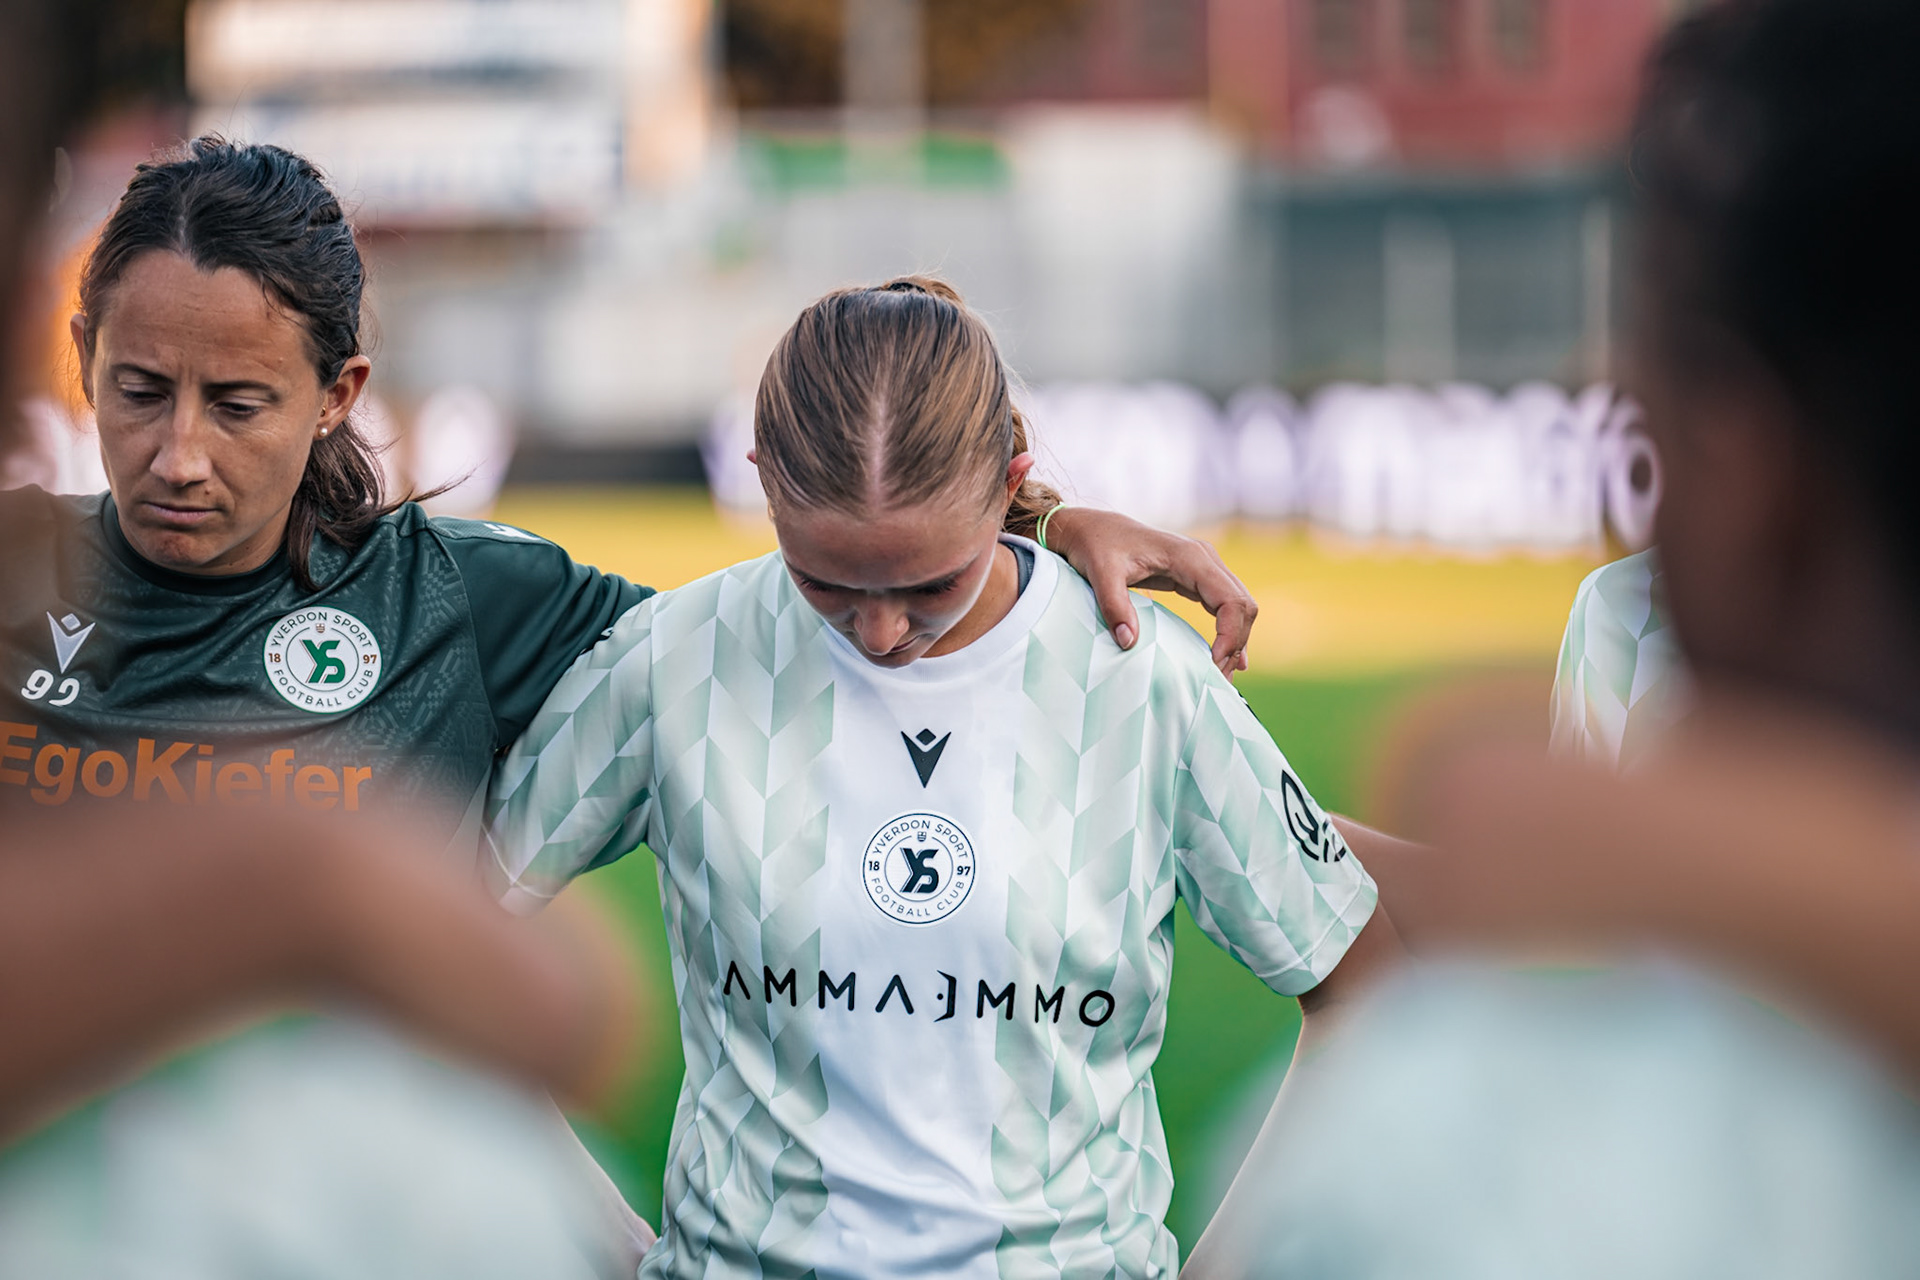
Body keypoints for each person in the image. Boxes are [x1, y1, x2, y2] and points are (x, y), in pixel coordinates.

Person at [1196, 0, 1920, 1273]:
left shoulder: (1459, 1165)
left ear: (1741, 466)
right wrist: (1219, 791)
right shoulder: (1619, 627)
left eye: (1646, 385)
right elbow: (1590, 935)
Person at [488, 276, 1398, 1279]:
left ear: (1013, 483)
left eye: (929, 584)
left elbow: (1358, 982)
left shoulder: (1140, 675)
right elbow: (446, 936)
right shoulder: (675, 656)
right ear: (760, 481)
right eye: (826, 580)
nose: (880, 632)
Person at [0, 134, 1259, 848]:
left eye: (237, 404)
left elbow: (838, 621)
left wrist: (1032, 523)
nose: (177, 453)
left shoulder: (465, 596)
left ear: (339, 393)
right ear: (81, 367)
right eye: (138, 389)